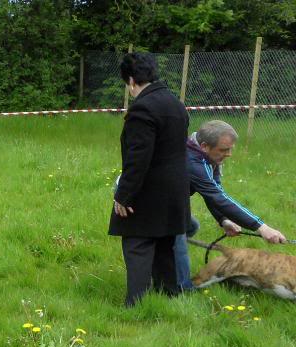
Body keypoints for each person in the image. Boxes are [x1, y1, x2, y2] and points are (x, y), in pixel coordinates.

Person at [109, 53, 191, 307]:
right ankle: (169, 296)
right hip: (175, 190)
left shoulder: (142, 109)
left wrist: (124, 195)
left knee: (137, 245)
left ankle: (136, 303)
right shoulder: (175, 104)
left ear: (131, 80)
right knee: (165, 246)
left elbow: (138, 159)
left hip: (149, 192)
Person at [175, 120, 286, 289]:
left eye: (231, 149)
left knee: (191, 227)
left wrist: (224, 220)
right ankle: (181, 289)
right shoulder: (193, 162)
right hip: (148, 202)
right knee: (177, 238)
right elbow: (218, 197)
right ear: (204, 146)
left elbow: (213, 191)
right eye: (224, 150)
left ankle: (162, 255)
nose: (229, 154)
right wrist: (262, 227)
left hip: (169, 201)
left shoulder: (207, 156)